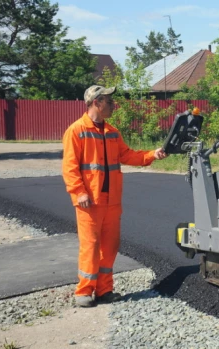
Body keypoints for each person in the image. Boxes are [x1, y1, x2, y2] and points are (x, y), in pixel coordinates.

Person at [61, 84, 168, 307]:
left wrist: (152, 155)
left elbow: (128, 155)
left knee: (109, 247)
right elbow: (70, 167)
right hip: (89, 201)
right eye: (109, 102)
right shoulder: (77, 131)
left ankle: (104, 290)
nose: (113, 105)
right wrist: (79, 192)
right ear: (96, 103)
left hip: (111, 201)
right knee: (90, 246)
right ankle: (84, 290)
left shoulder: (111, 132)